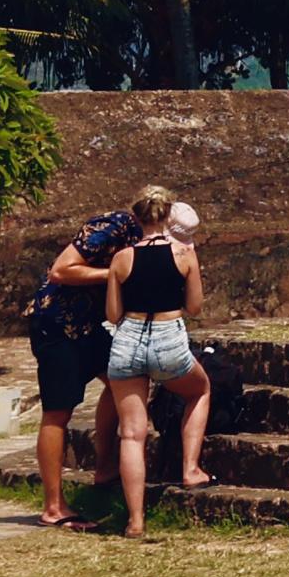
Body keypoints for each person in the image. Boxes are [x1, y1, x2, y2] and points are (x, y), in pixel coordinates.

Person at [101, 186, 208, 526]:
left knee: (132, 433)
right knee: (200, 390)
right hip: (167, 337)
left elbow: (113, 314)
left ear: (137, 218)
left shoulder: (122, 258)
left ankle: (135, 519)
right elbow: (194, 307)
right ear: (167, 216)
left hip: (129, 338)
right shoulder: (183, 254)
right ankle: (190, 468)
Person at [25, 214, 124, 526]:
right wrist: (114, 274)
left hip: (88, 326)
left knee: (122, 381)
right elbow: (61, 270)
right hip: (55, 324)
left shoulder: (150, 243)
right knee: (58, 411)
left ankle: (105, 466)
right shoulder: (111, 228)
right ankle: (53, 506)